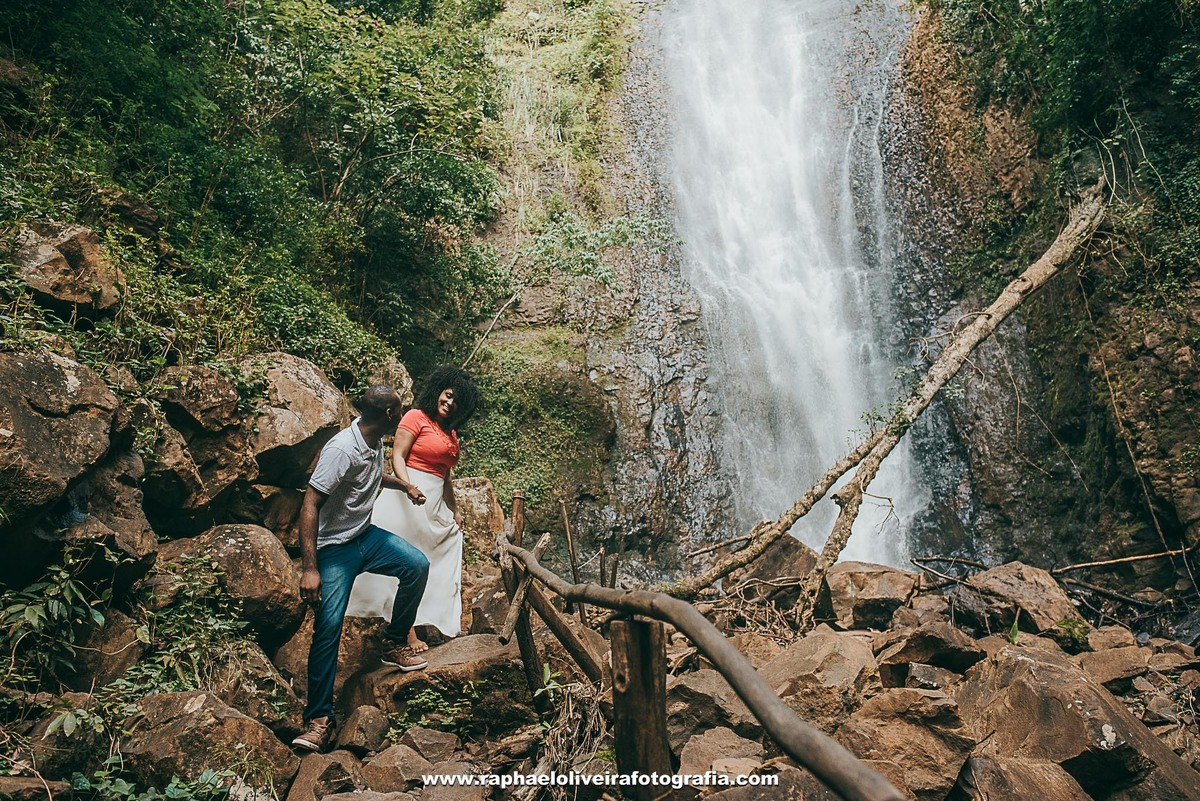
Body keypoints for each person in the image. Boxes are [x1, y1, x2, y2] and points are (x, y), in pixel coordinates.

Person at [291, 385, 431, 753]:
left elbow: (370, 476)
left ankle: (394, 641)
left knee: (416, 565)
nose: (403, 415)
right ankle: (319, 720)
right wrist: (310, 568)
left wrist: (403, 485)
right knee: (329, 624)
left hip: (365, 536)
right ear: (388, 414)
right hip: (334, 549)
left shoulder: (373, 440)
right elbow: (310, 503)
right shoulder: (341, 449)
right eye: (399, 410)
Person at [347, 365, 479, 652]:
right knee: (408, 560)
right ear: (437, 392)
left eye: (456, 400)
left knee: (431, 558)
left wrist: (453, 509)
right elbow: (398, 455)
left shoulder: (450, 433)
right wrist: (407, 487)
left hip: (433, 500)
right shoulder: (415, 417)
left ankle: (423, 619)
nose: (449, 403)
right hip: (408, 496)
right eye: (447, 396)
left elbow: (445, 475)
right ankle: (405, 634)